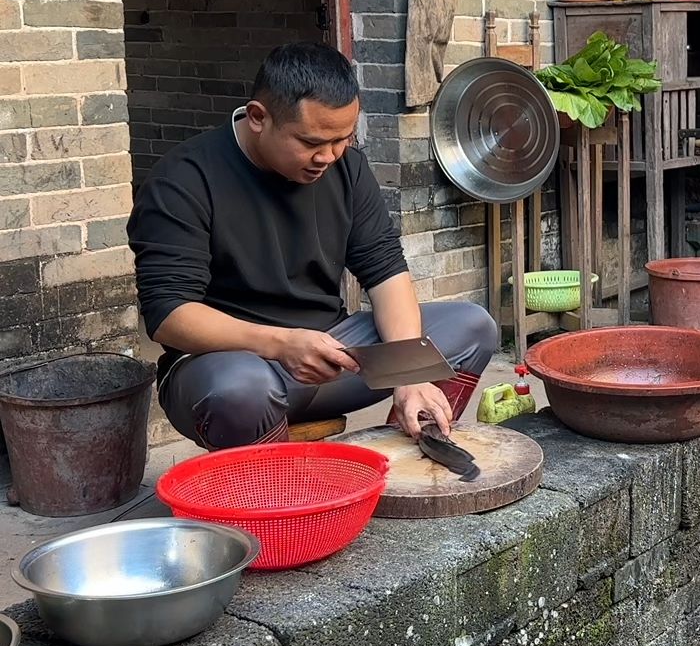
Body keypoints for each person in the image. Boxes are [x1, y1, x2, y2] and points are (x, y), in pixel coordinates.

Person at [127, 42, 499, 449]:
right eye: (310, 142)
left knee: (470, 327)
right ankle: (285, 497)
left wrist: (407, 374)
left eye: (343, 138)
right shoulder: (183, 181)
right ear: (258, 118)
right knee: (239, 388)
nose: (329, 156)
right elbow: (168, 316)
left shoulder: (347, 170)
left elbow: (386, 271)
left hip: (330, 356)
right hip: (233, 366)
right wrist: (282, 343)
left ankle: (409, 455)